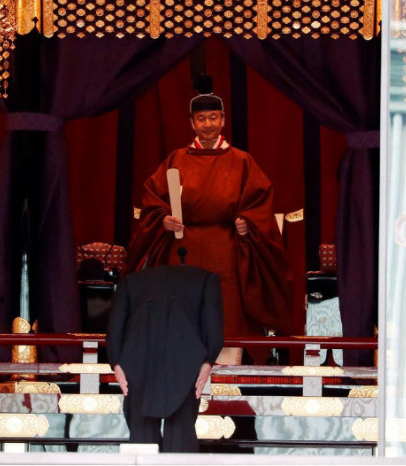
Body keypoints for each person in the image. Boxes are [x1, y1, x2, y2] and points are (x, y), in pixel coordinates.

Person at [125, 75, 295, 365]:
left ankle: (226, 374)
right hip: (183, 247)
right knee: (182, 306)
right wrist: (163, 220)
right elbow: (152, 199)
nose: (207, 124)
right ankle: (181, 369)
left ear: (223, 120)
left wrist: (248, 221)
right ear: (192, 123)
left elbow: (260, 202)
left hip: (225, 249)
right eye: (201, 119)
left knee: (226, 309)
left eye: (213, 118)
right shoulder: (176, 160)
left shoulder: (241, 161)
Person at [107, 262, 224, 453]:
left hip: (138, 364)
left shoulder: (131, 281)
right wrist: (208, 361)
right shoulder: (205, 279)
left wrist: (116, 363)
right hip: (186, 364)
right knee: (181, 438)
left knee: (142, 439)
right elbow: (214, 328)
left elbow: (115, 327)